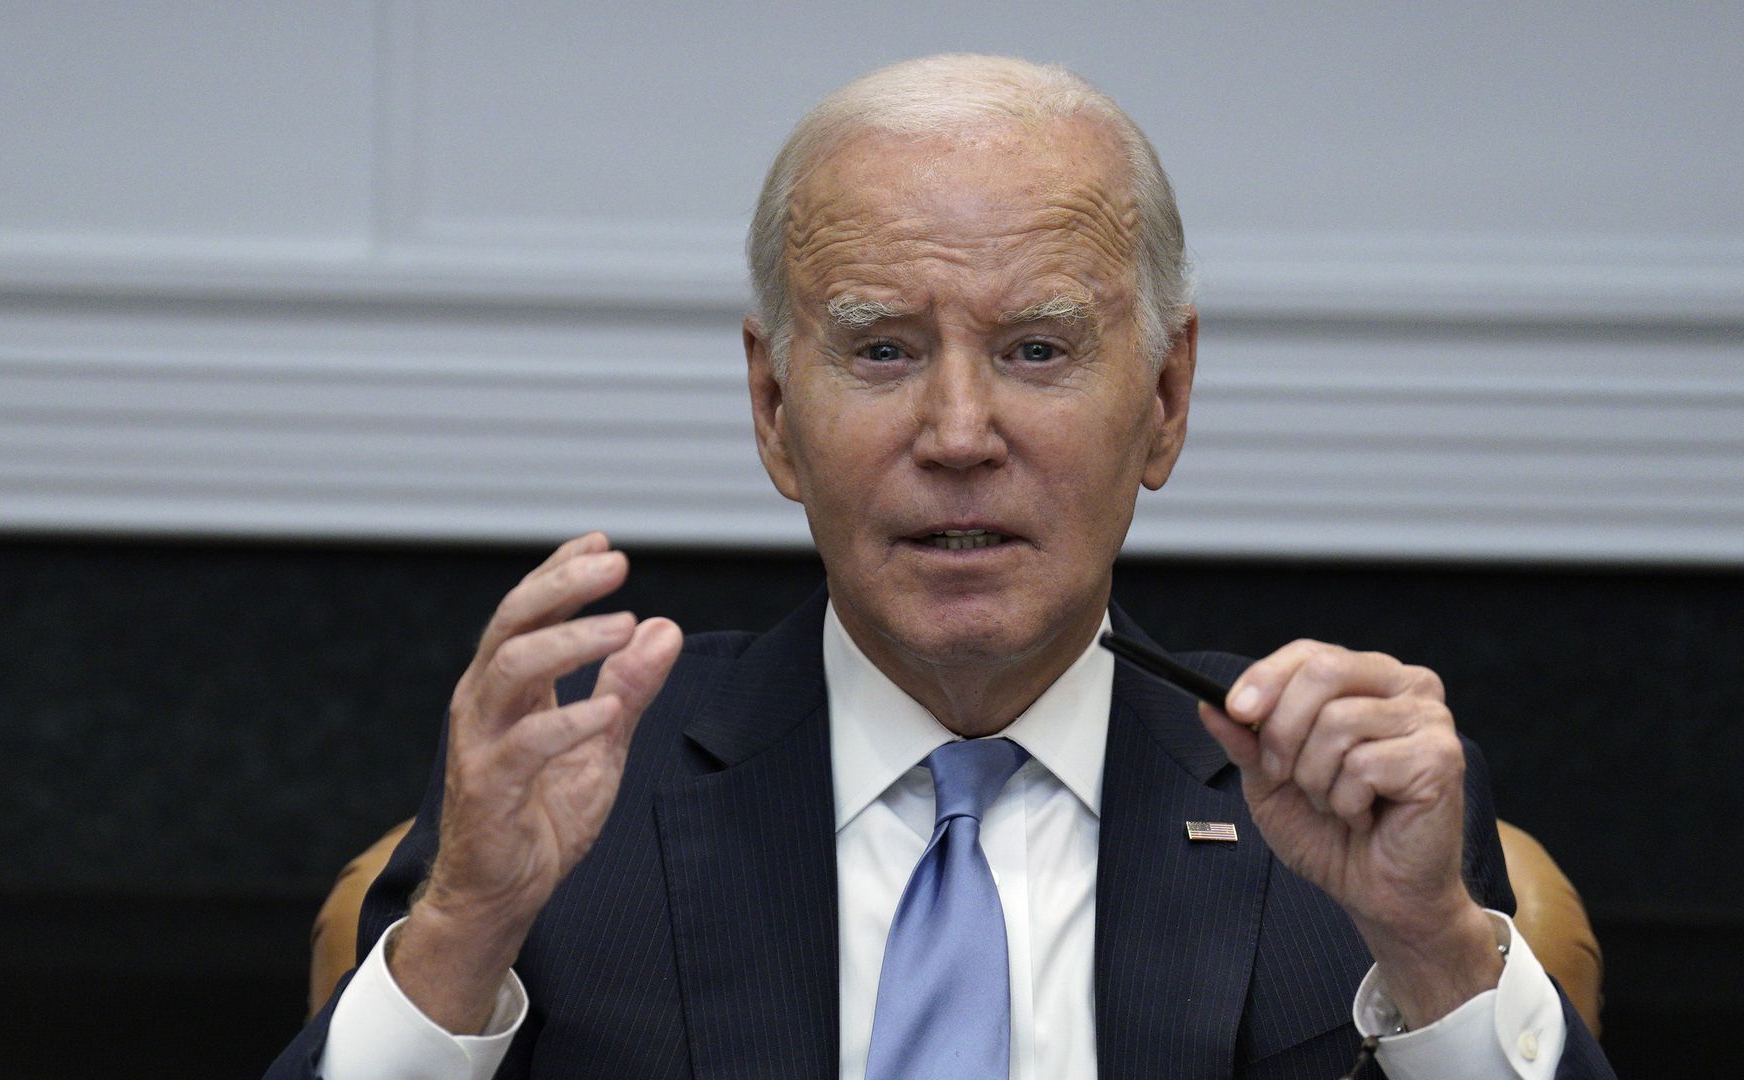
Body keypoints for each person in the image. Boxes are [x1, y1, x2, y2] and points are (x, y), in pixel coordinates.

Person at [268, 54, 1615, 1079]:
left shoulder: (1328, 804)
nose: (960, 435)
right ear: (774, 410)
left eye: (1036, 349)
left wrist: (1433, 945)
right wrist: (463, 929)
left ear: (1166, 397)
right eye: (882, 350)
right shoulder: (576, 791)